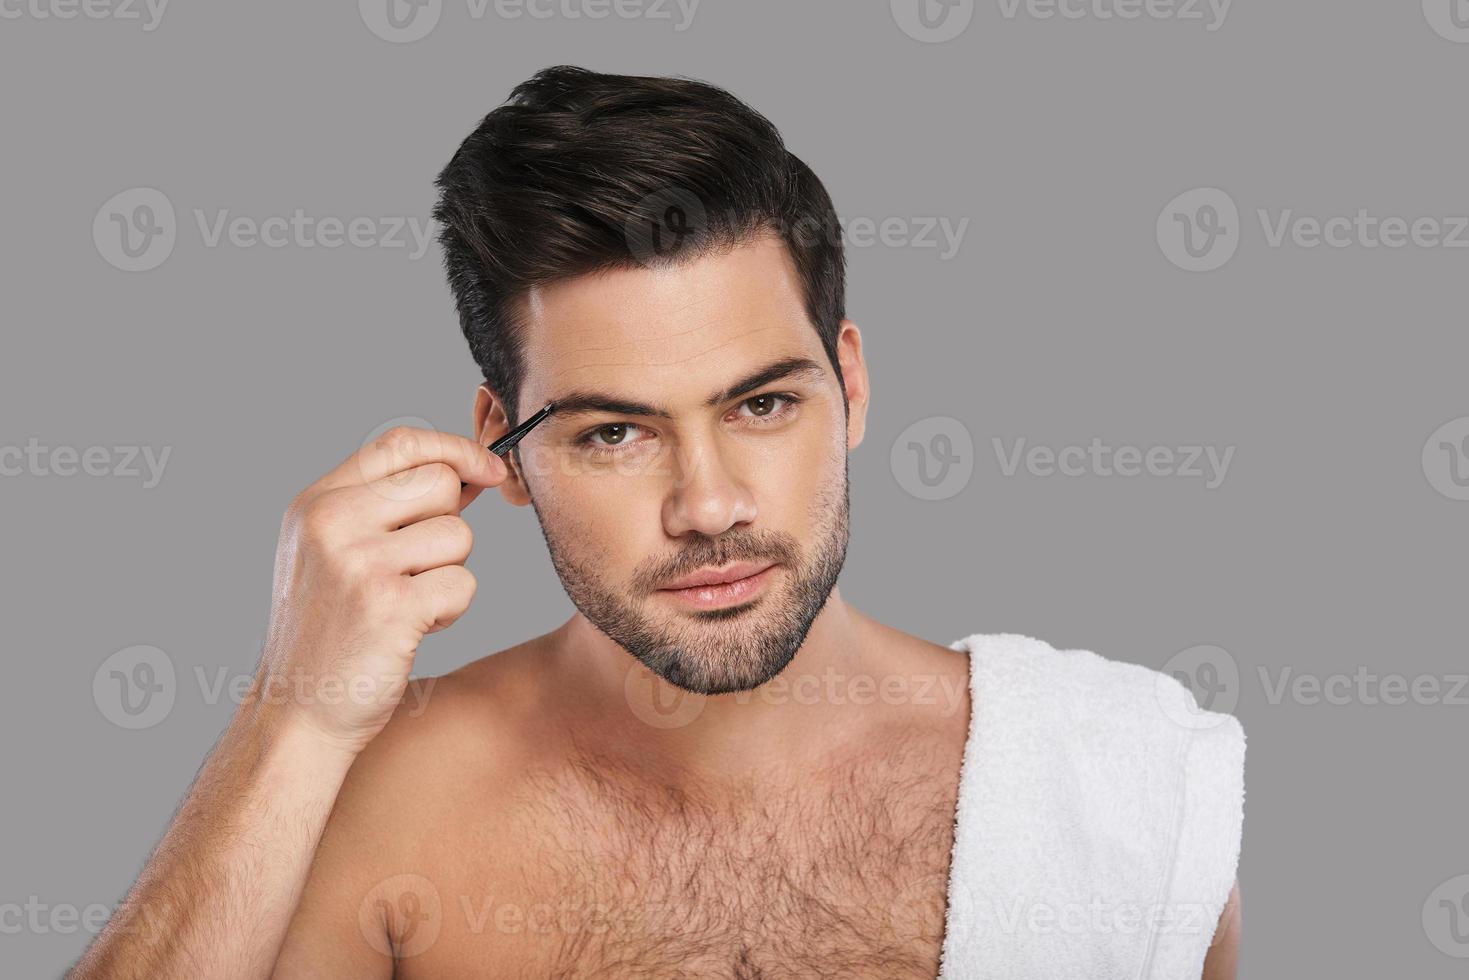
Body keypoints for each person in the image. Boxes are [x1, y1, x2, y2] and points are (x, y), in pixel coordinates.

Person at [70, 65, 1243, 979]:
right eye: (611, 433)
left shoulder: (1121, 779)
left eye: (763, 403)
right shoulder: (380, 807)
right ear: (505, 445)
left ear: (853, 384)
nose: (710, 505)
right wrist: (293, 717)